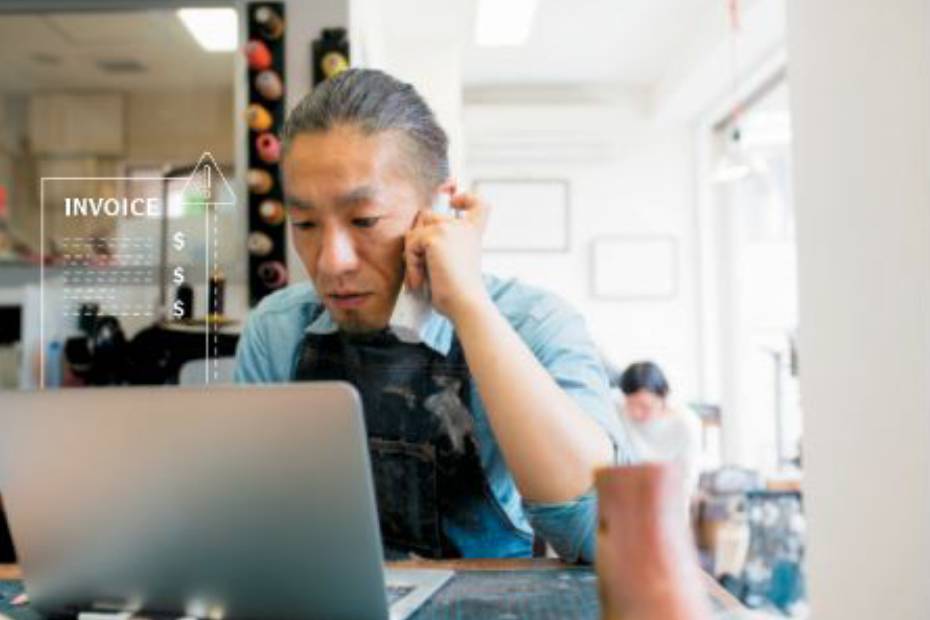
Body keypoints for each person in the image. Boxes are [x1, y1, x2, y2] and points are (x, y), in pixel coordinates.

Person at [234, 69, 628, 563]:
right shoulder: (278, 331)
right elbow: (250, 522)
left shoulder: (536, 324)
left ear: (438, 208)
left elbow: (602, 537)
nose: (331, 261)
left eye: (364, 221)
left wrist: (470, 307)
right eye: (305, 224)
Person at [615, 361, 702, 498]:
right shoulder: (619, 410)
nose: (636, 413)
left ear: (664, 396)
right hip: (631, 492)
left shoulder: (686, 423)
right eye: (630, 404)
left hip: (671, 494)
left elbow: (688, 479)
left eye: (645, 406)